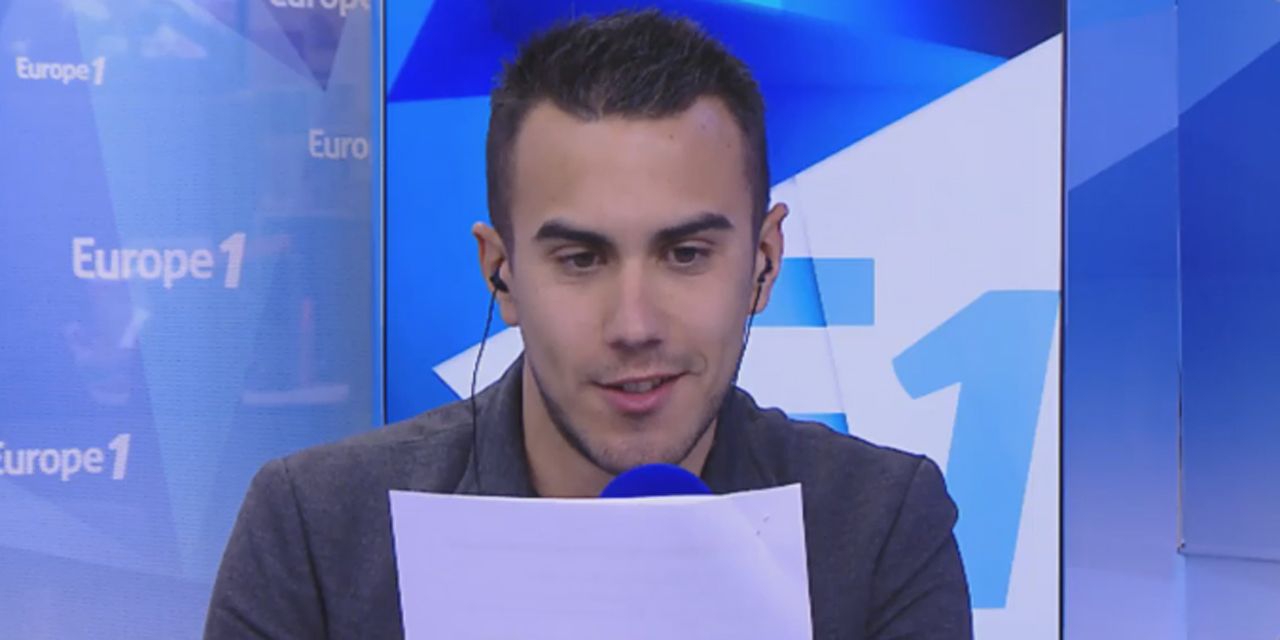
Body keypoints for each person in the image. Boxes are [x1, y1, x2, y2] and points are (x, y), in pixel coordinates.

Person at [205, 9, 971, 639]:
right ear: (501, 274)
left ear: (764, 263)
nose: (633, 324)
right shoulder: (314, 531)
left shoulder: (882, 527)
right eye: (580, 259)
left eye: (686, 254)